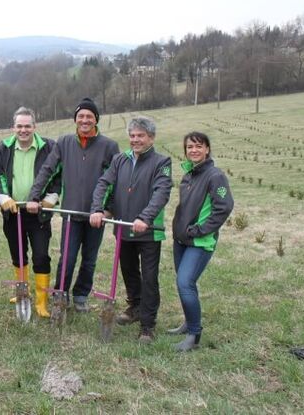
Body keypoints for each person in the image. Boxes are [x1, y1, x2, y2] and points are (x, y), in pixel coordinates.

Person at [26, 98, 119, 312]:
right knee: (67, 258)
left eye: (89, 116)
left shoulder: (109, 146)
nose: (85, 120)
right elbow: (47, 170)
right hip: (70, 213)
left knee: (89, 259)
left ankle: (80, 295)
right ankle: (60, 294)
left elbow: (117, 180)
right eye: (81, 116)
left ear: (96, 119)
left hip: (96, 215)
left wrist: (109, 208)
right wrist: (34, 196)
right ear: (75, 120)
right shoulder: (65, 143)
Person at [90, 116, 172, 344]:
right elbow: (103, 184)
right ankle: (134, 307)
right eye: (132, 136)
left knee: (149, 278)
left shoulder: (161, 162)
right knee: (128, 270)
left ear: (151, 138)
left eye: (141, 136)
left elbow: (161, 192)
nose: (135, 140)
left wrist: (145, 217)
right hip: (123, 228)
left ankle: (147, 325)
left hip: (148, 231)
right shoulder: (120, 160)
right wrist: (98, 209)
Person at [169, 131, 233, 351]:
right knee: (184, 283)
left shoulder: (215, 176)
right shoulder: (189, 175)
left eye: (198, 146)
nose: (193, 150)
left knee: (185, 282)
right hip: (182, 240)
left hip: (200, 241)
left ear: (207, 149)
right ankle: (188, 323)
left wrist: (201, 230)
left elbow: (224, 207)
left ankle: (194, 336)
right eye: (189, 147)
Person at [0, 106, 58, 318]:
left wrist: (52, 197)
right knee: (18, 254)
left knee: (41, 255)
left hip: (38, 212)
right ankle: (22, 291)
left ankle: (41, 301)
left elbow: (58, 174)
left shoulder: (49, 147)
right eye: (19, 126)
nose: (23, 130)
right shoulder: (4, 148)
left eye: (27, 126)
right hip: (13, 212)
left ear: (35, 127)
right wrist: (3, 196)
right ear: (14, 127)